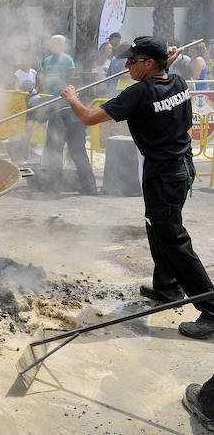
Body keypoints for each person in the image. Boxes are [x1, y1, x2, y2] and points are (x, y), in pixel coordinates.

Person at [60, 35, 214, 339]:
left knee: (173, 239)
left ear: (149, 64)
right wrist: (164, 59)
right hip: (181, 168)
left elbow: (90, 117)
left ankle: (210, 307)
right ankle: (167, 287)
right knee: (157, 227)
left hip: (165, 174)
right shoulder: (178, 81)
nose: (127, 64)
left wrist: (72, 98)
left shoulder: (138, 94)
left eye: (134, 60)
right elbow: (162, 74)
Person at [38, 34, 97, 196]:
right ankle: (54, 186)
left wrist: (72, 98)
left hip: (69, 108)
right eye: (53, 42)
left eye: (58, 42)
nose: (54, 45)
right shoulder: (47, 61)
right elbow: (44, 83)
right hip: (54, 108)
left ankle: (90, 187)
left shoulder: (67, 60)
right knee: (54, 149)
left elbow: (74, 81)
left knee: (77, 150)